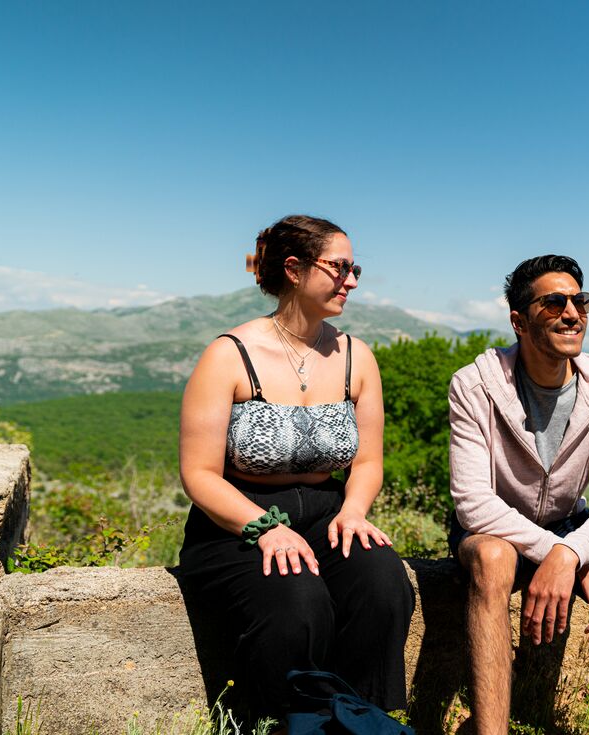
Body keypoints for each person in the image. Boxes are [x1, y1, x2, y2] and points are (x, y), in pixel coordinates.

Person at [177, 214, 415, 724]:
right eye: (340, 267)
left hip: (329, 512)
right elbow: (199, 474)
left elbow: (368, 461)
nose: (351, 281)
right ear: (293, 269)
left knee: (384, 586)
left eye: (354, 269)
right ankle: (285, 723)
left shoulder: (356, 357)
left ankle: (359, 719)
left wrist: (354, 511)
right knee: (297, 600)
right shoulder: (229, 356)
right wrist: (265, 528)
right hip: (238, 520)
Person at [448, 255, 589, 735]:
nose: (572, 314)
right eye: (553, 303)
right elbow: (472, 503)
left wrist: (571, 553)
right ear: (519, 321)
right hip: (494, 529)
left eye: (580, 301)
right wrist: (564, 555)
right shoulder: (474, 385)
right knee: (492, 559)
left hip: (569, 526)